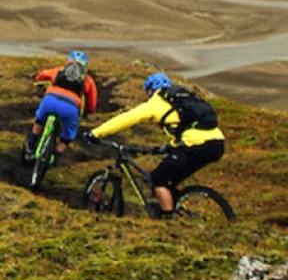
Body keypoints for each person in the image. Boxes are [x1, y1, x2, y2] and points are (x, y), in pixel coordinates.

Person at [82, 72, 225, 218]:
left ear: (150, 90)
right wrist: (170, 147)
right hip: (216, 144)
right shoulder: (183, 98)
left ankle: (167, 219)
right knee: (170, 179)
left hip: (195, 145)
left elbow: (126, 119)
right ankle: (173, 202)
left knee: (159, 179)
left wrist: (96, 133)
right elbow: (185, 127)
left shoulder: (156, 103)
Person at [24, 50, 98, 164]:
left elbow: (42, 74)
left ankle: (30, 145)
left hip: (50, 100)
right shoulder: (88, 80)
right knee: (69, 133)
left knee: (39, 120)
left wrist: (37, 80)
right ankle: (55, 157)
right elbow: (91, 102)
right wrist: (88, 112)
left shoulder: (59, 70)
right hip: (70, 107)